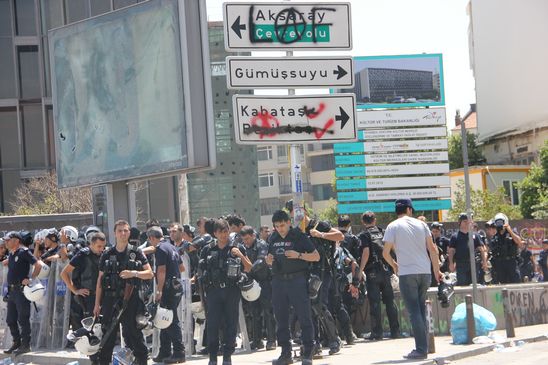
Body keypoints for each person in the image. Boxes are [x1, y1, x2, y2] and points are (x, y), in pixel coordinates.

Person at [382, 199, 441, 360]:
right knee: (421, 310)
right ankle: (426, 346)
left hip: (407, 273)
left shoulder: (392, 226)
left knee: (414, 311)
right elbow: (433, 249)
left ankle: (421, 349)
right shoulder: (422, 225)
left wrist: (394, 265)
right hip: (425, 272)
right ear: (408, 209)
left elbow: (385, 253)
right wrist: (437, 271)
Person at [93, 220, 154, 365]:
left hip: (131, 300)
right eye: (120, 230)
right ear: (114, 233)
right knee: (107, 336)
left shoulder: (136, 251)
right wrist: (97, 304)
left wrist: (133, 273)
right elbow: (100, 281)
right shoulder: (107, 253)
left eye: (126, 230)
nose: (123, 233)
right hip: (110, 300)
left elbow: (150, 273)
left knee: (134, 335)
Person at [266, 210, 319, 365]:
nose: (280, 229)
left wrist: (299, 255)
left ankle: (308, 352)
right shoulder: (273, 238)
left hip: (297, 280)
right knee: (280, 318)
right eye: (277, 226)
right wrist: (268, 260)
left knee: (304, 316)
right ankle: (285, 353)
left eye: (282, 225)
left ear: (289, 222)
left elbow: (316, 256)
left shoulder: (299, 236)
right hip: (278, 282)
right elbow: (270, 259)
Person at [199, 219, 252, 365]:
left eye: (226, 231)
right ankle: (213, 357)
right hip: (213, 291)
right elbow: (201, 271)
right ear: (215, 233)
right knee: (213, 325)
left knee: (231, 324)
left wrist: (240, 255)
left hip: (231, 290)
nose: (224, 235)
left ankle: (227, 356)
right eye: (220, 232)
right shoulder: (207, 249)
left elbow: (249, 268)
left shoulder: (237, 247)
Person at [145, 226, 186, 364]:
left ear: (151, 238)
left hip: (168, 288)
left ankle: (179, 352)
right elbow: (182, 268)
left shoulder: (161, 249)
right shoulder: (172, 247)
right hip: (176, 286)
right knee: (164, 319)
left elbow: (161, 271)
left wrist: (159, 290)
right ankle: (165, 351)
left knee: (171, 320)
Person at [358, 211, 400, 340]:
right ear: (374, 220)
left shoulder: (364, 235)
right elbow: (392, 248)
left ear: (363, 222)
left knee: (375, 303)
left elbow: (366, 253)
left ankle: (377, 333)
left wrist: (361, 270)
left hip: (372, 273)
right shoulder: (382, 231)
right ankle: (395, 332)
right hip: (386, 270)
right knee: (389, 302)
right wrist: (394, 265)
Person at [3, 231, 42, 355]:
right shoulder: (11, 253)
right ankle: (17, 342)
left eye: (8, 240)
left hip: (21, 290)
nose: (6, 242)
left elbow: (38, 265)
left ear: (16, 241)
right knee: (10, 319)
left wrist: (31, 279)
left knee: (22, 318)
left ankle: (26, 345)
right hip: (12, 291)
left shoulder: (24, 252)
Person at [61, 232, 106, 334]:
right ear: (91, 244)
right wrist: (75, 290)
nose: (101, 249)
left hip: (103, 295)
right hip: (89, 296)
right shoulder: (82, 255)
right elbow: (64, 273)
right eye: (99, 246)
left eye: (103, 246)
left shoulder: (104, 254)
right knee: (92, 329)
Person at [240, 225, 276, 351]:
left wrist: (249, 269)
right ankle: (257, 340)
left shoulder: (261, 245)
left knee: (268, 311)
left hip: (264, 282)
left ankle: (271, 340)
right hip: (251, 283)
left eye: (248, 239)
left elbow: (262, 261)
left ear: (253, 236)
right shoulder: (243, 247)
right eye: (244, 239)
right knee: (254, 312)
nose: (246, 242)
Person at [447, 214, 487, 286]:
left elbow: (481, 249)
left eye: (469, 221)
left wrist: (484, 262)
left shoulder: (476, 235)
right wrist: (451, 263)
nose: (467, 223)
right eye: (465, 221)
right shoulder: (455, 236)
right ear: (460, 222)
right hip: (461, 264)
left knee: (474, 285)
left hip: (474, 264)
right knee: (462, 285)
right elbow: (451, 251)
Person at [490, 213, 522, 284]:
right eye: (497, 223)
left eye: (501, 222)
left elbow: (519, 242)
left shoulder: (511, 234)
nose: (499, 225)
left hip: (511, 261)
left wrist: (509, 230)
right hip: (500, 263)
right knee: (503, 283)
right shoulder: (495, 237)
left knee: (515, 282)